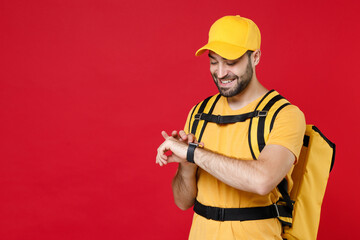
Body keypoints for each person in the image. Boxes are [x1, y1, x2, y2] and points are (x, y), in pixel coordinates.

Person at [156, 15, 306, 240]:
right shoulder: (199, 113)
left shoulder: (285, 115)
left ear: (255, 57)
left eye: (231, 62)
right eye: (214, 61)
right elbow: (182, 201)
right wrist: (187, 165)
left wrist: (194, 153)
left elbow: (262, 180)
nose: (220, 72)